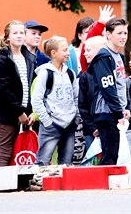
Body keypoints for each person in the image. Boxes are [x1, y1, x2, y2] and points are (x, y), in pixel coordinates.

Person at [0, 20, 37, 167]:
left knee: (24, 151)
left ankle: (20, 183)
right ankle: (0, 185)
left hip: (26, 112)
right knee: (5, 150)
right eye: (15, 33)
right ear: (7, 37)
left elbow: (30, 86)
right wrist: (19, 112)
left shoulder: (29, 58)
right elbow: (5, 90)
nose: (19, 36)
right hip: (8, 113)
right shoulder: (3, 60)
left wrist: (30, 112)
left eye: (22, 33)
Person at [87, 18, 130, 165]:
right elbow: (108, 87)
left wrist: (126, 107)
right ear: (108, 34)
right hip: (106, 112)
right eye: (119, 33)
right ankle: (102, 185)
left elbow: (122, 84)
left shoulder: (119, 56)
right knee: (109, 156)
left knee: (113, 154)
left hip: (116, 111)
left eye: (125, 33)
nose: (123, 36)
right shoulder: (103, 57)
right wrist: (118, 112)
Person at [31, 36, 79, 166]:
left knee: (66, 163)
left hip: (69, 125)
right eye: (64, 50)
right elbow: (36, 100)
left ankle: (62, 185)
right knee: (43, 161)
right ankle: (40, 184)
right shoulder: (45, 73)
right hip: (51, 125)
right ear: (54, 53)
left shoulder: (71, 74)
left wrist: (76, 118)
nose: (68, 52)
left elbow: (76, 97)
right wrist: (47, 122)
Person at [78, 36, 106, 151]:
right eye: (84, 50)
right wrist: (92, 128)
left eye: (88, 50)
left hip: (109, 127)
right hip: (91, 130)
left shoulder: (110, 71)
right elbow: (82, 105)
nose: (85, 54)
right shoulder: (85, 76)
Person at [80, 5, 115, 72]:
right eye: (102, 33)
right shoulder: (88, 63)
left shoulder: (114, 54)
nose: (104, 35)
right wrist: (100, 24)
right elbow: (88, 42)